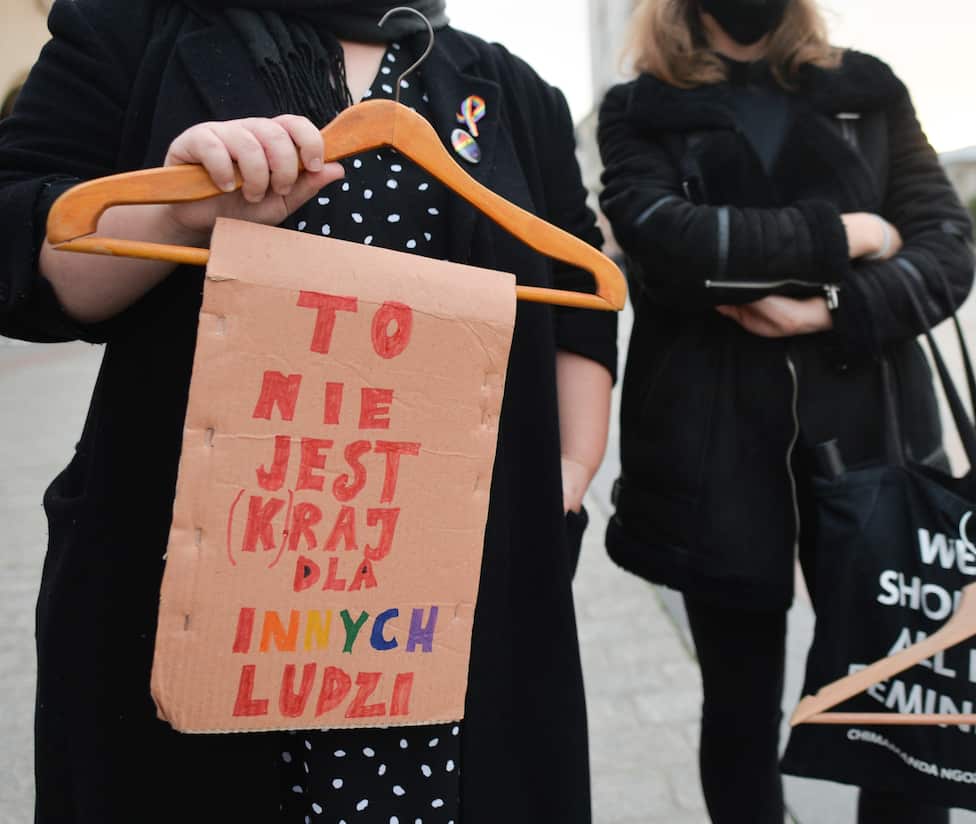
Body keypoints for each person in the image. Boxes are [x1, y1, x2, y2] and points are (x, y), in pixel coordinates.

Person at [0, 1, 615, 821]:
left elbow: (580, 291)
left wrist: (569, 472)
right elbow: (28, 250)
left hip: (449, 604)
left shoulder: (514, 89)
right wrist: (179, 209)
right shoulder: (132, 27)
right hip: (193, 594)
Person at [597, 1, 972, 822]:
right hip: (713, 448)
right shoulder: (640, 107)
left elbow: (946, 250)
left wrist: (828, 307)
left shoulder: (867, 91)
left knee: (905, 703)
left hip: (876, 440)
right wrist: (856, 234)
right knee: (739, 707)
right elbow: (667, 241)